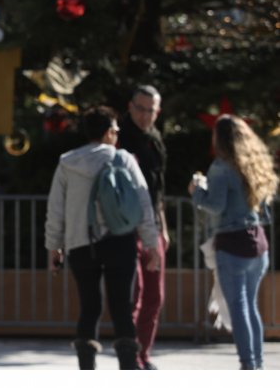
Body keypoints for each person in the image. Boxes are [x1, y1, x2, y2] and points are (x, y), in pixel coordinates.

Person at [45, 105, 160, 370]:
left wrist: (54, 247)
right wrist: (151, 244)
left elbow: (56, 209)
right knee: (122, 306)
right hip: (120, 241)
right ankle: (128, 369)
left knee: (89, 306)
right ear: (109, 132)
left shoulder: (67, 162)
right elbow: (143, 204)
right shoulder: (124, 159)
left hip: (80, 243)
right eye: (116, 130)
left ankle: (87, 370)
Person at [189, 114, 278, 370]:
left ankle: (248, 365)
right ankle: (257, 365)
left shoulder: (221, 167)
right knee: (250, 307)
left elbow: (215, 205)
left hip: (232, 244)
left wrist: (196, 191)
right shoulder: (252, 165)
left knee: (239, 308)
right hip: (258, 243)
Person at [119, 84, 168, 369]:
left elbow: (158, 189)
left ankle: (143, 354)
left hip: (154, 227)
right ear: (130, 106)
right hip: (126, 227)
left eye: (151, 110)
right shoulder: (119, 139)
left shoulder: (155, 140)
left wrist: (164, 228)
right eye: (140, 108)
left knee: (155, 295)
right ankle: (131, 356)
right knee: (134, 295)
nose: (145, 115)